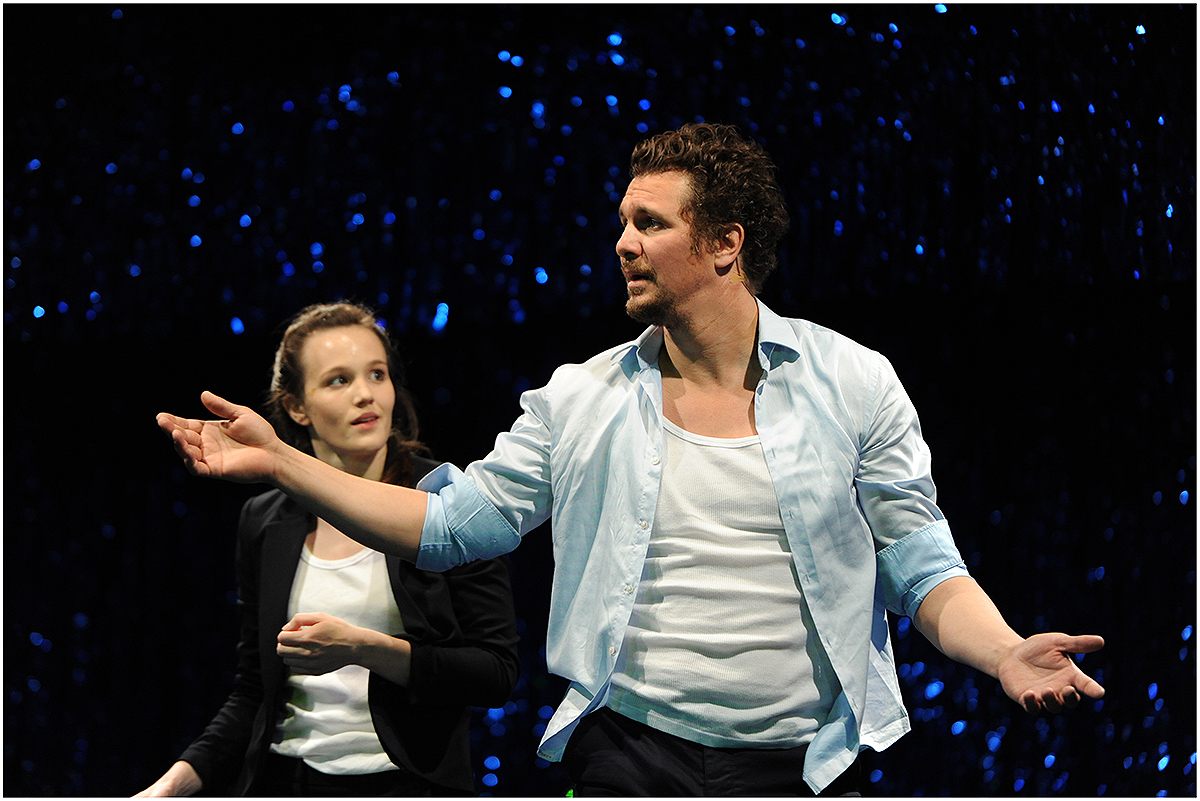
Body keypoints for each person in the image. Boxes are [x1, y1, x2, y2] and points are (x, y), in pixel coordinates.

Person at [157, 124, 1105, 796]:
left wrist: (1002, 651)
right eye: (623, 221)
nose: (623, 243)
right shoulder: (581, 396)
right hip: (630, 759)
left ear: (725, 244)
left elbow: (921, 563)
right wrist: (284, 464)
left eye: (650, 223)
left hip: (803, 765)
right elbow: (448, 528)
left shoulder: (854, 382)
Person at [141, 302, 520, 797]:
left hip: (404, 784)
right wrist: (166, 788)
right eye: (339, 380)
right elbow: (255, 689)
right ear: (296, 407)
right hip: (285, 780)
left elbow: (494, 673)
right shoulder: (265, 519)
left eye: (377, 374)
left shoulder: (448, 505)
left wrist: (364, 648)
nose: (366, 394)